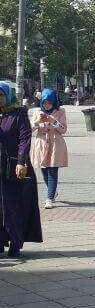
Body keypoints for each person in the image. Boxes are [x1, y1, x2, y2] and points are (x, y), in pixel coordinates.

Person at [0, 81, 43, 258]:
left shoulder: (18, 113)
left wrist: (21, 162)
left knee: (14, 206)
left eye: (1, 95)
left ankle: (15, 242)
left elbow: (24, 139)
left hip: (15, 167)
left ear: (8, 96)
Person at [29, 89, 68, 209]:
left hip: (55, 144)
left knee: (52, 171)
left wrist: (52, 120)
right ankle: (53, 191)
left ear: (54, 102)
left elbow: (63, 129)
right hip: (41, 143)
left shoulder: (60, 111)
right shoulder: (37, 111)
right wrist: (38, 121)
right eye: (45, 103)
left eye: (49, 103)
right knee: (44, 171)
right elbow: (30, 129)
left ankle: (49, 198)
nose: (47, 105)